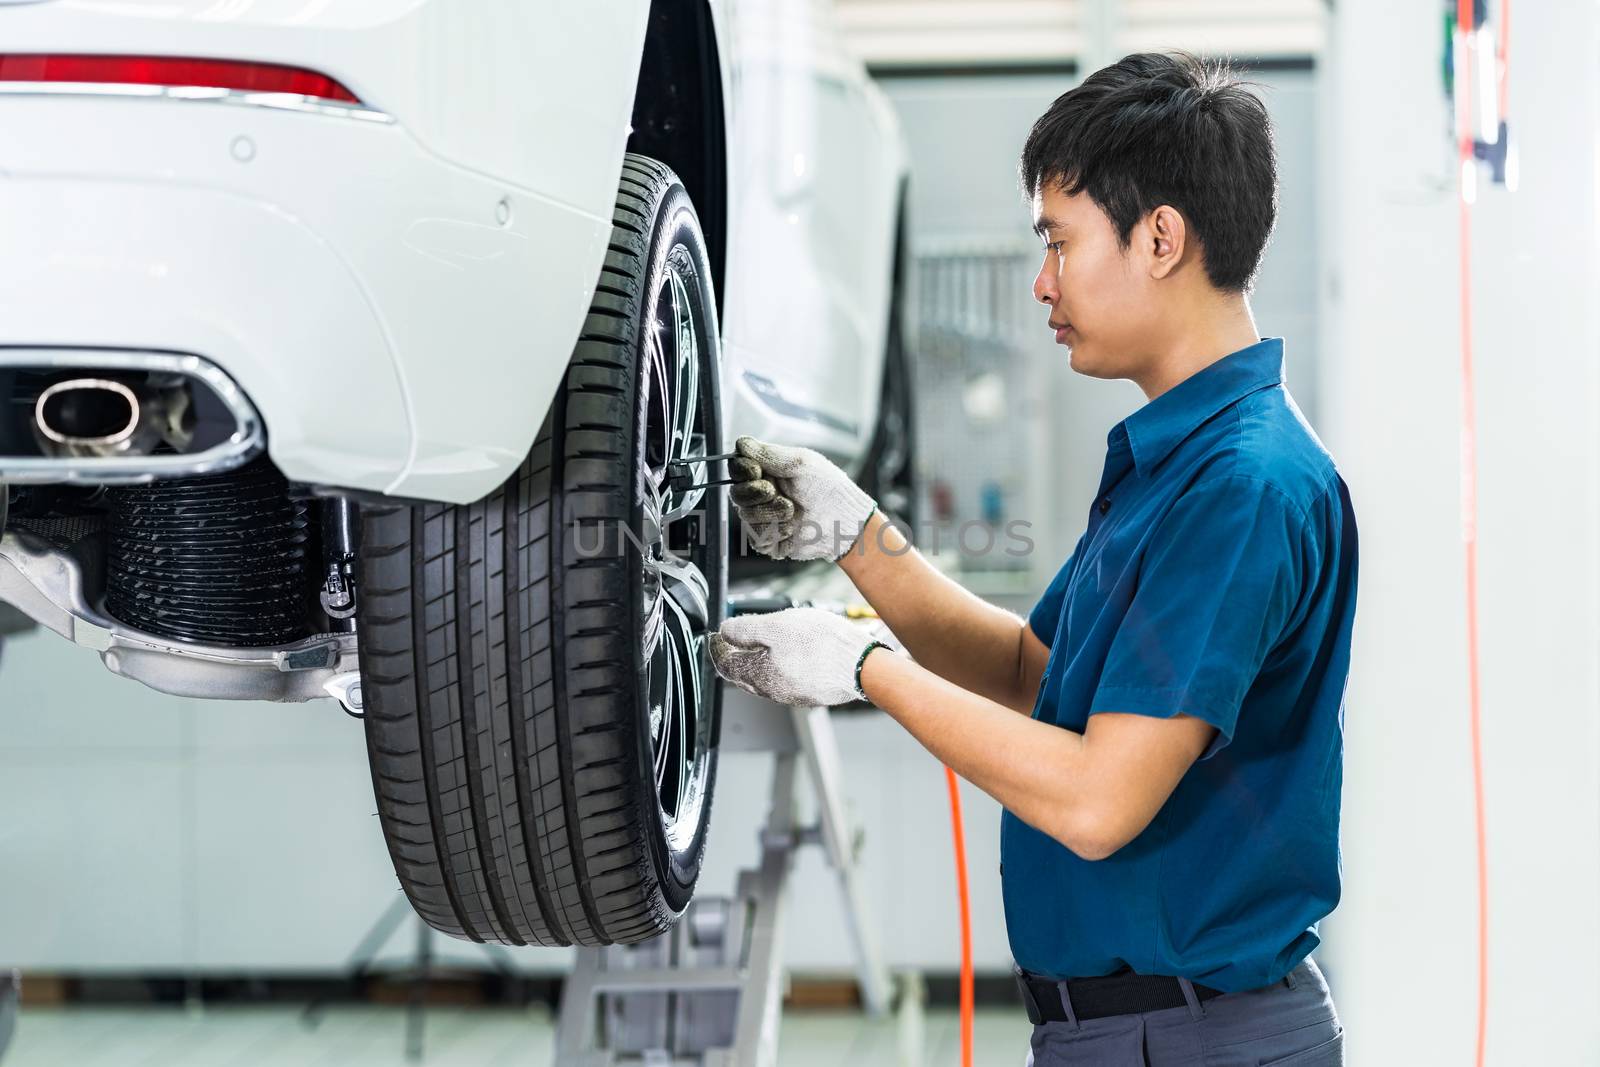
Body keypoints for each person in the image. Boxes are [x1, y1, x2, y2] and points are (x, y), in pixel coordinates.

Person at [710, 51, 1356, 1066]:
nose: (1040, 281)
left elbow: (1099, 800)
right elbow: (1029, 675)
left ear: (1159, 238)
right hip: (1134, 1031)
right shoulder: (1175, 459)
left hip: (1194, 1039)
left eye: (1058, 241)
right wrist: (854, 534)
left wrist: (863, 670)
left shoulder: (1242, 486)